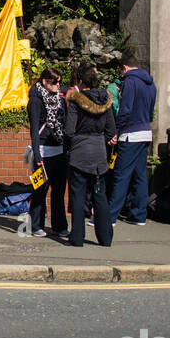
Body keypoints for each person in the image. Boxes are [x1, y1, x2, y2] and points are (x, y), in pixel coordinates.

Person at [63, 62, 116, 248]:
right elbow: (111, 131)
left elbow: (69, 131)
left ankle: (77, 238)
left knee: (77, 196)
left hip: (80, 152)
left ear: (80, 81)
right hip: (99, 154)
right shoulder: (106, 100)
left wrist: (72, 144)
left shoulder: (77, 101)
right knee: (100, 196)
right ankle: (106, 238)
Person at [106, 52, 156, 225]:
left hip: (130, 134)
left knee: (121, 175)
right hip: (145, 132)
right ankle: (139, 215)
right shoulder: (151, 83)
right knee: (140, 175)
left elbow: (125, 109)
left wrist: (118, 131)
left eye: (121, 71)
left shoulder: (129, 81)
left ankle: (110, 217)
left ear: (125, 67)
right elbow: (151, 110)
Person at [24, 67, 68, 238]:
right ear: (44, 81)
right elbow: (34, 129)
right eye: (54, 82)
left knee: (59, 190)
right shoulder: (35, 100)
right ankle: (36, 224)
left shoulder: (59, 100)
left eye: (59, 82)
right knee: (40, 189)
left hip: (59, 149)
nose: (58, 85)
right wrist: (37, 154)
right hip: (42, 149)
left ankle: (59, 225)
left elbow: (63, 123)